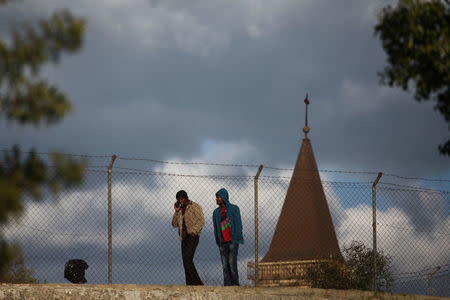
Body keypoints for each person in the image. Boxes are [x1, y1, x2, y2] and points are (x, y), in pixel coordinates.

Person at [172, 190, 204, 285]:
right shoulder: (180, 210)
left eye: (181, 199)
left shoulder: (194, 206)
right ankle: (189, 283)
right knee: (185, 262)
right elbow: (174, 224)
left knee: (187, 260)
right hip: (184, 238)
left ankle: (198, 283)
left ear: (185, 198)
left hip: (193, 236)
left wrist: (194, 231)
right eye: (178, 200)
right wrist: (176, 212)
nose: (180, 201)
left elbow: (201, 221)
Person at [212, 188, 243, 286]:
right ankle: (227, 286)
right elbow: (215, 227)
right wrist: (218, 240)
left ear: (223, 197)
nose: (216, 199)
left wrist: (237, 238)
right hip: (222, 242)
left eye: (218, 197)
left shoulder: (234, 209)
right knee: (225, 265)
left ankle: (235, 285)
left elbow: (238, 224)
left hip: (232, 240)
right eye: (216, 197)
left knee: (231, 263)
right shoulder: (216, 212)